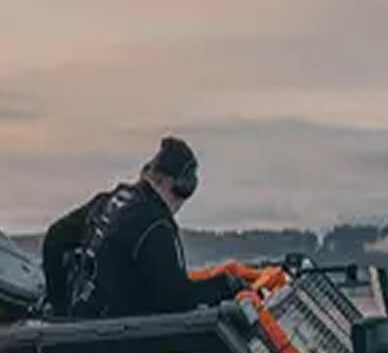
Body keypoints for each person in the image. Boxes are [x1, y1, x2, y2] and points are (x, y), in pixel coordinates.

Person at [41, 136, 244, 319]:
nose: (180, 204)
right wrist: (225, 286)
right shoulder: (155, 225)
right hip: (118, 348)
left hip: (83, 328)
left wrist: (59, 308)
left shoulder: (108, 201)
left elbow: (55, 238)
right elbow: (174, 300)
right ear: (168, 182)